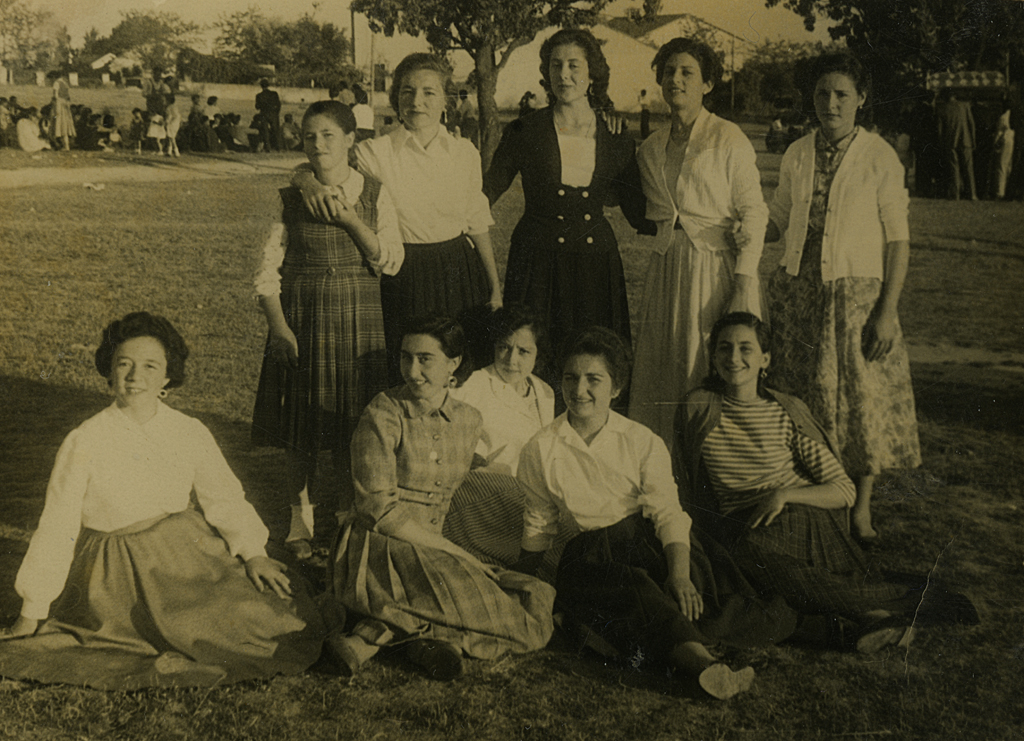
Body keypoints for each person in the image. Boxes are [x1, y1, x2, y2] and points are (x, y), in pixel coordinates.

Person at [0, 312, 325, 690]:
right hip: (116, 571)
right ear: (109, 370)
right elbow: (58, 525)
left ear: (167, 377)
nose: (135, 377)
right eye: (125, 364)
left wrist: (252, 551)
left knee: (252, 616)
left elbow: (223, 495)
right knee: (142, 639)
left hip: (184, 554)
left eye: (150, 366)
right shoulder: (85, 439)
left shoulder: (188, 430)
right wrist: (32, 611)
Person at [517, 327, 798, 700]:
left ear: (616, 389)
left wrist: (680, 575)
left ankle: (844, 630)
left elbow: (667, 512)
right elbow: (539, 524)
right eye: (570, 377)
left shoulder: (641, 440)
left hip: (650, 541)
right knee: (634, 592)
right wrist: (520, 580)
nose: (579, 389)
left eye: (593, 379)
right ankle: (704, 666)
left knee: (716, 606)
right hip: (590, 557)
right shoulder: (541, 447)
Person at [674, 312, 977, 650]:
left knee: (750, 554)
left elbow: (844, 490)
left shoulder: (785, 412)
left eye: (746, 348)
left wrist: (784, 494)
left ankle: (882, 607)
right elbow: (686, 478)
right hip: (741, 521)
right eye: (724, 348)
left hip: (798, 516)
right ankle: (871, 616)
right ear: (712, 356)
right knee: (742, 571)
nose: (733, 358)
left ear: (765, 359)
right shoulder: (697, 408)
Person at [321, 316, 555, 680]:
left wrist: (459, 547)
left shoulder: (469, 420)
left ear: (454, 363)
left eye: (425, 359)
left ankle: (386, 638)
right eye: (405, 357)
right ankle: (399, 640)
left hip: (434, 544)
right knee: (465, 593)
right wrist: (457, 553)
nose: (412, 371)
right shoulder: (382, 412)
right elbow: (378, 509)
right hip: (378, 542)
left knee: (526, 603)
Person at [765, 51, 919, 545]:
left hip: (856, 299)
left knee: (858, 400)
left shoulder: (879, 156)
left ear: (861, 99)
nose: (830, 103)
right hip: (797, 293)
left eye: (841, 94)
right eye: (821, 94)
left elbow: (897, 239)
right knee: (801, 398)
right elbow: (778, 219)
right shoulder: (796, 152)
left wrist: (887, 311)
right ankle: (816, 501)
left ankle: (860, 510)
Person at [252, 100, 403, 560]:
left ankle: (340, 517)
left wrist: (351, 219)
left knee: (352, 424)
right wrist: (280, 328)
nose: (318, 145)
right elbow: (266, 272)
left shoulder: (375, 193)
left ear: (350, 140)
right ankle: (300, 518)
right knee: (301, 427)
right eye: (310, 137)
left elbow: (391, 262)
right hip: (303, 315)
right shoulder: (289, 197)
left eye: (329, 136)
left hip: (359, 317)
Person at [294, 53, 503, 384]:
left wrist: (494, 286)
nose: (417, 102)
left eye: (429, 92)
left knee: (459, 368)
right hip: (401, 274)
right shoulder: (374, 152)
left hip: (457, 271)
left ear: (446, 99)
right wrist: (305, 180)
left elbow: (477, 221)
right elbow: (322, 161)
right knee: (405, 370)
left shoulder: (464, 153)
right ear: (395, 98)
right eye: (407, 91)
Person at [484, 29, 654, 394]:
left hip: (595, 263)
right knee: (533, 359)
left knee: (593, 360)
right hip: (536, 264)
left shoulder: (616, 134)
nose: (564, 75)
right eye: (555, 65)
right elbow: (485, 194)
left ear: (592, 73)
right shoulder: (524, 129)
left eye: (574, 65)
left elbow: (639, 211)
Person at [628, 37, 768, 450]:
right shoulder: (651, 147)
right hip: (667, 271)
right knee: (661, 370)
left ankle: (716, 475)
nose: (676, 79)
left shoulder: (728, 138)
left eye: (688, 72)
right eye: (669, 71)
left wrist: (743, 282)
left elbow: (754, 212)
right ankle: (663, 474)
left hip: (716, 271)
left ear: (708, 84)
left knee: (705, 366)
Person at [443, 305, 562, 575]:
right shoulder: (471, 385)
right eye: (504, 347)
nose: (511, 360)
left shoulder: (544, 392)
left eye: (523, 351)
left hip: (535, 493)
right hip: (486, 495)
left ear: (537, 353)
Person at [936, 90, 978, 200]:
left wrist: (941, 144)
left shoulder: (942, 108)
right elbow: (971, 124)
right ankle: (972, 194)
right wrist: (973, 141)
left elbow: (940, 131)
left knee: (954, 168)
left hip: (950, 142)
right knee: (969, 168)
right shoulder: (964, 106)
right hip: (966, 140)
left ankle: (956, 194)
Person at [992, 97, 1015, 200]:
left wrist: (995, 142)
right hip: (1013, 140)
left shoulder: (1003, 116)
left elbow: (999, 132)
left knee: (1001, 166)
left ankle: (1000, 192)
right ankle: (1008, 190)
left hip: (1005, 141)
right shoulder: (1014, 115)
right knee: (1009, 166)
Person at [48, 71, 75, 151]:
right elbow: (68, 97)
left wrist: (53, 104)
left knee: (57, 124)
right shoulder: (65, 83)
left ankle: (58, 145)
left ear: (53, 77)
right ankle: (66, 145)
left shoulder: (56, 83)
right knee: (65, 126)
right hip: (65, 106)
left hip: (58, 105)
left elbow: (55, 96)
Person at [256, 78, 282, 152]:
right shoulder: (274, 94)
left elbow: (257, 107)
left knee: (265, 131)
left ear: (261, 86)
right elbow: (278, 104)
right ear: (268, 85)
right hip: (273, 114)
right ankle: (279, 147)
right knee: (276, 130)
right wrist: (277, 112)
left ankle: (268, 148)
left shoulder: (259, 96)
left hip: (264, 114)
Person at [163, 90, 181, 157]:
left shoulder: (168, 108)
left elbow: (170, 116)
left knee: (171, 137)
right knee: (171, 136)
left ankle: (176, 151)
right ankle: (169, 151)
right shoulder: (175, 106)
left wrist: (166, 122)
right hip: (176, 122)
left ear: (168, 101)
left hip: (172, 123)